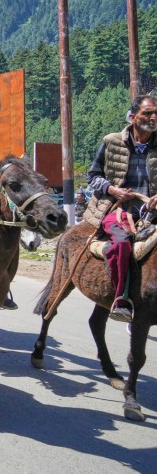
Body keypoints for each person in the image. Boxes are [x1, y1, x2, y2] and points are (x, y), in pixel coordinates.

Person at [83, 94, 157, 322]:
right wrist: (112, 190)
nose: (153, 118)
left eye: (156, 114)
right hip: (117, 210)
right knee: (123, 244)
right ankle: (122, 299)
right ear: (133, 117)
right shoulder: (112, 141)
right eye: (147, 113)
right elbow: (93, 176)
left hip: (151, 211)